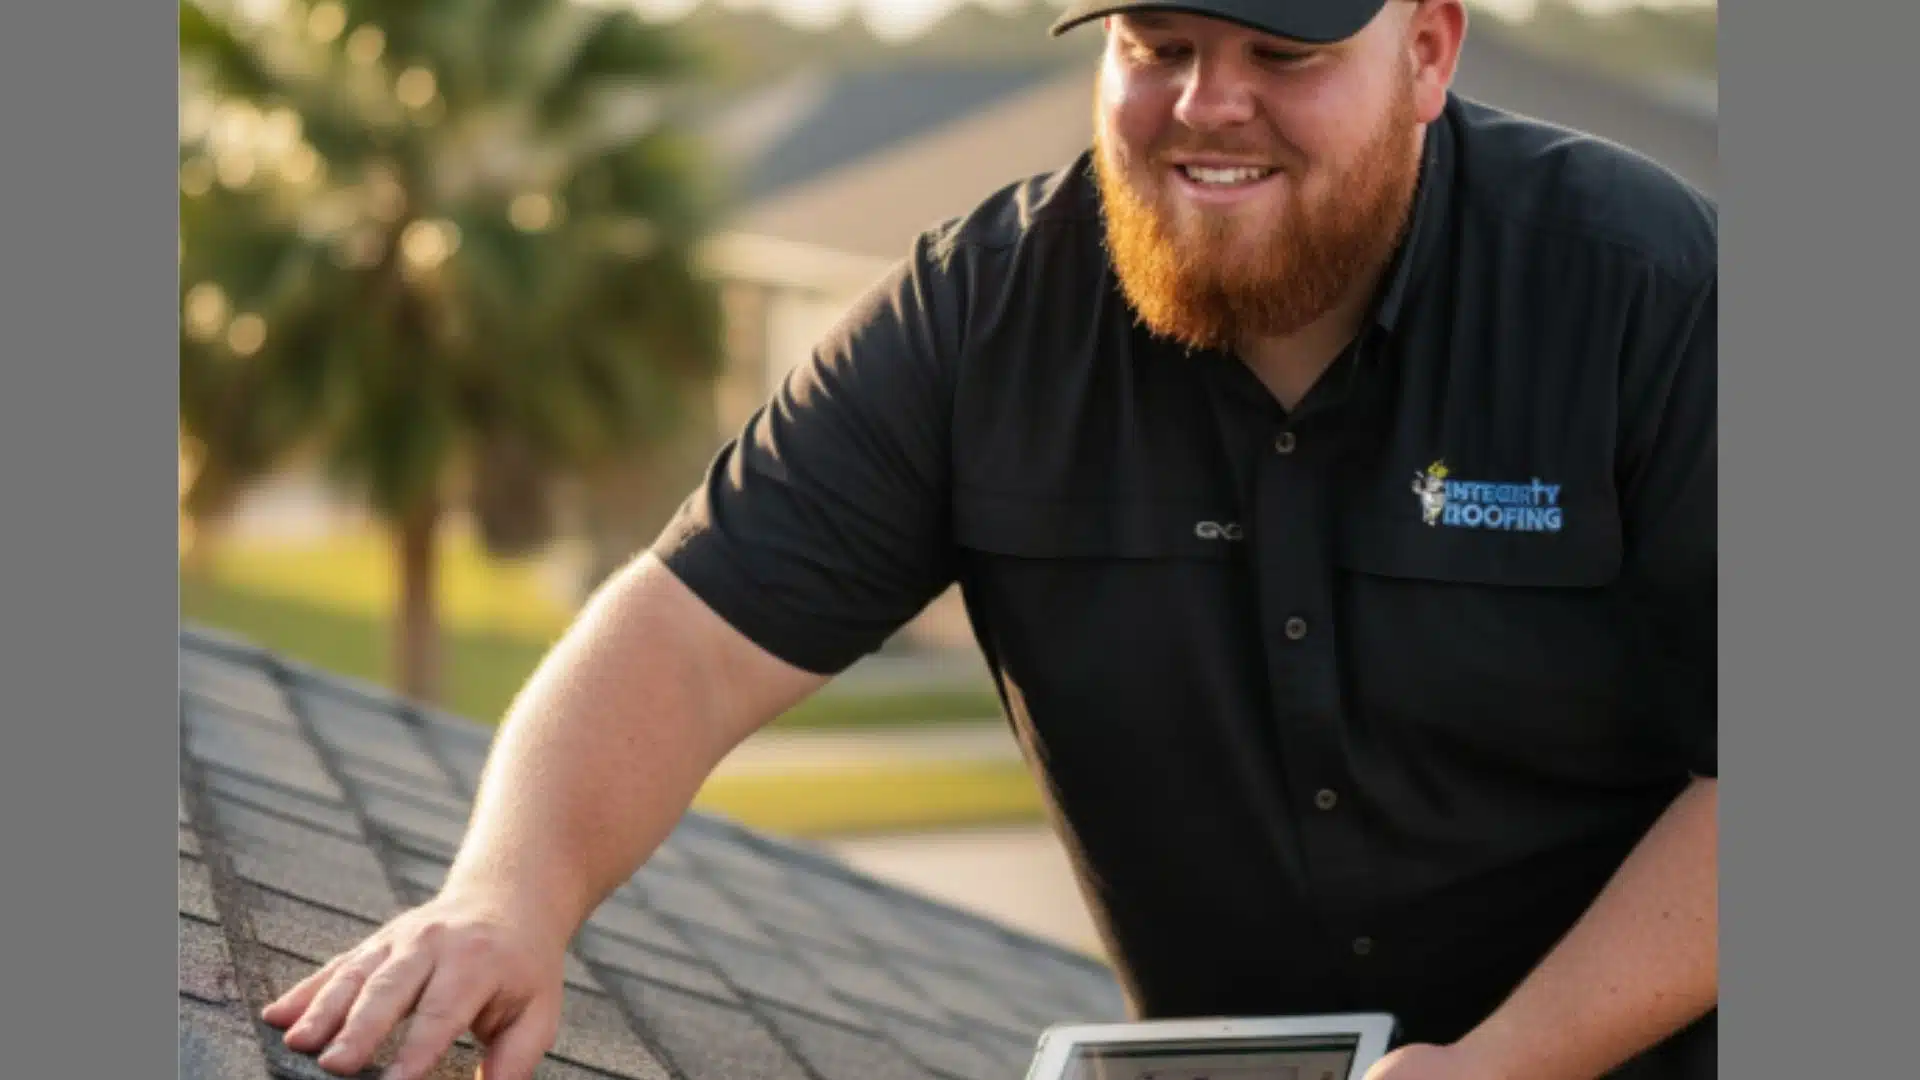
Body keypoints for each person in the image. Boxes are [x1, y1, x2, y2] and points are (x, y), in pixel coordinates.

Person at [260, 2, 1718, 1078]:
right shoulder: (981, 316)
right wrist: (507, 896)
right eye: (1158, 44)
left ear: (1431, 54)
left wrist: (1513, 1063)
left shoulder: (1650, 292)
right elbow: (684, 638)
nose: (1212, 103)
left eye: (1286, 55)